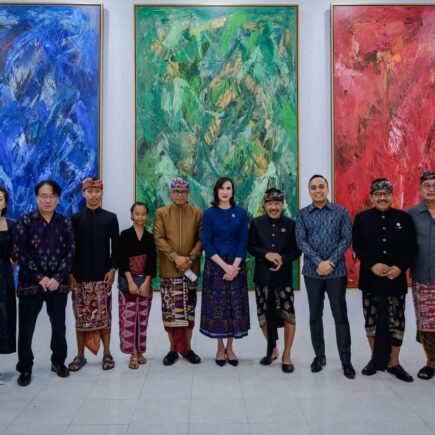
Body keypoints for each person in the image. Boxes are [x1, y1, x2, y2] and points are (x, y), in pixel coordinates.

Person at [353, 178, 416, 382]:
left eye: (386, 194)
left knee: (397, 321)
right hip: (371, 279)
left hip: (395, 279)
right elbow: (358, 247)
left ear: (391, 196)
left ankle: (393, 362)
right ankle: (375, 360)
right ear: (371, 197)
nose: (382, 197)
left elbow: (411, 248)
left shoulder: (404, 218)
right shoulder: (361, 218)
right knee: (371, 319)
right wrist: (373, 265)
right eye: (378, 194)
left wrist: (399, 267)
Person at [13, 180, 75, 386]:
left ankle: (58, 362)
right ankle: (25, 367)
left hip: (58, 284)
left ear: (58, 199)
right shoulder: (25, 221)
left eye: (52, 196)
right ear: (36, 197)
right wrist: (41, 278)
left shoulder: (65, 222)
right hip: (31, 284)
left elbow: (71, 251)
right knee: (26, 328)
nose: (48, 200)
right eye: (43, 196)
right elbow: (20, 252)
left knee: (59, 326)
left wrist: (57, 278)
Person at [295, 174, 355, 379]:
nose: (318, 190)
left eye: (321, 186)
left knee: (340, 316)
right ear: (309, 191)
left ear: (327, 189)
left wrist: (330, 262)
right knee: (315, 316)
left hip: (336, 272)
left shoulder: (341, 212)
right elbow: (301, 241)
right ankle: (319, 357)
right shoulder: (303, 214)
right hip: (312, 273)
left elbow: (346, 239)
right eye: (313, 187)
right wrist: (318, 262)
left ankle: (346, 361)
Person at [68, 178, 119, 371]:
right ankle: (80, 355)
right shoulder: (75, 219)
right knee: (80, 318)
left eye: (97, 191)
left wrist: (112, 269)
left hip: (103, 276)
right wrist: (70, 274)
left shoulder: (110, 218)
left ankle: (107, 353)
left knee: (105, 318)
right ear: (84, 193)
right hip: (80, 277)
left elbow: (116, 248)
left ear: (101, 193)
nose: (94, 195)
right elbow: (70, 249)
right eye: (90, 191)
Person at [248, 188, 301, 373]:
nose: (274, 207)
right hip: (262, 277)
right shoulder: (256, 223)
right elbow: (251, 247)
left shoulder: (291, 224)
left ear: (282, 204)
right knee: (263, 316)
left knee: (288, 315)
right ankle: (273, 349)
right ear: (265, 205)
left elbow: (297, 250)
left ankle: (287, 354)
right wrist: (266, 254)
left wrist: (283, 259)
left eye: (277, 203)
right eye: (270, 204)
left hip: (283, 277)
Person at [200, 176, 250, 366]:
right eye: (221, 188)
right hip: (216, 267)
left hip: (236, 266)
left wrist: (234, 267)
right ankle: (220, 348)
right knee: (217, 309)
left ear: (232, 191)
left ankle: (230, 347)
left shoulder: (241, 213)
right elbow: (206, 243)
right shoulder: (209, 214)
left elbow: (243, 241)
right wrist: (225, 266)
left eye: (228, 188)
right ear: (216, 191)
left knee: (233, 308)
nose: (225, 191)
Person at [153, 177, 202, 366]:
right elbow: (158, 237)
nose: (180, 195)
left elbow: (202, 239)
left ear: (188, 193)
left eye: (183, 191)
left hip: (190, 271)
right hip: (169, 271)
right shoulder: (162, 213)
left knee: (189, 314)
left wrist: (190, 258)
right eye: (176, 191)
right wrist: (176, 257)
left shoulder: (197, 213)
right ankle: (173, 350)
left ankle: (187, 349)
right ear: (171, 193)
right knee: (170, 314)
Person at [118, 202, 156, 369]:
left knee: (142, 319)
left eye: (143, 214)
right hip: (129, 283)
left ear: (147, 216)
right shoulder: (125, 235)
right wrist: (131, 282)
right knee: (130, 319)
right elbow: (122, 260)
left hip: (145, 284)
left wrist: (147, 282)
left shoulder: (150, 237)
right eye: (137, 214)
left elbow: (152, 262)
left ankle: (140, 350)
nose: (140, 217)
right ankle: (133, 352)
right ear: (132, 215)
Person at [408, 171, 435, 380]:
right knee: (427, 324)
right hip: (423, 276)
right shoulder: (412, 215)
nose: (431, 189)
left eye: (434, 185)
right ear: (420, 189)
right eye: (427, 185)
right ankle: (431, 362)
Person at [0, 186, 16, 383]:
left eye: (0, 199)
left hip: (4, 278)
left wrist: (15, 258)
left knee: (3, 321)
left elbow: (16, 252)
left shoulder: (11, 224)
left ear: (4, 203)